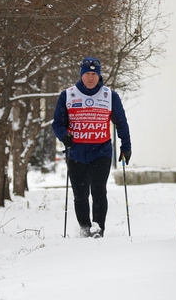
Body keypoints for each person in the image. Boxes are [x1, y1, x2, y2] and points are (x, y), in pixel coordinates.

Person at [52, 57, 132, 238]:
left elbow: (122, 123)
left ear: (99, 75)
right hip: (76, 152)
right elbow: (57, 123)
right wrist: (64, 136)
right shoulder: (68, 95)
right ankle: (84, 227)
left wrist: (126, 147)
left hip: (101, 151)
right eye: (87, 74)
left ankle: (98, 229)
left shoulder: (110, 96)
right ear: (81, 75)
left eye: (94, 74)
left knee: (98, 190)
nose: (90, 78)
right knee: (80, 194)